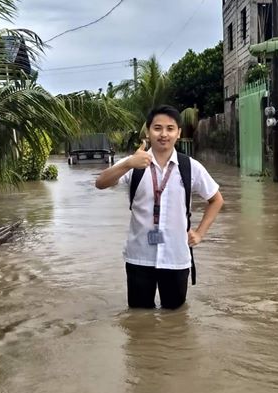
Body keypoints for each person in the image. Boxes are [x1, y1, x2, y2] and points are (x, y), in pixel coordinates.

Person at [95, 105, 224, 310]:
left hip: (176, 257)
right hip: (139, 257)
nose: (164, 134)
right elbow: (100, 183)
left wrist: (199, 233)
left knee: (175, 320)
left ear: (178, 133)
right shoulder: (134, 164)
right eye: (157, 128)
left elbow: (216, 200)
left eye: (170, 128)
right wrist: (128, 164)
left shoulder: (190, 167)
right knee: (138, 319)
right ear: (148, 131)